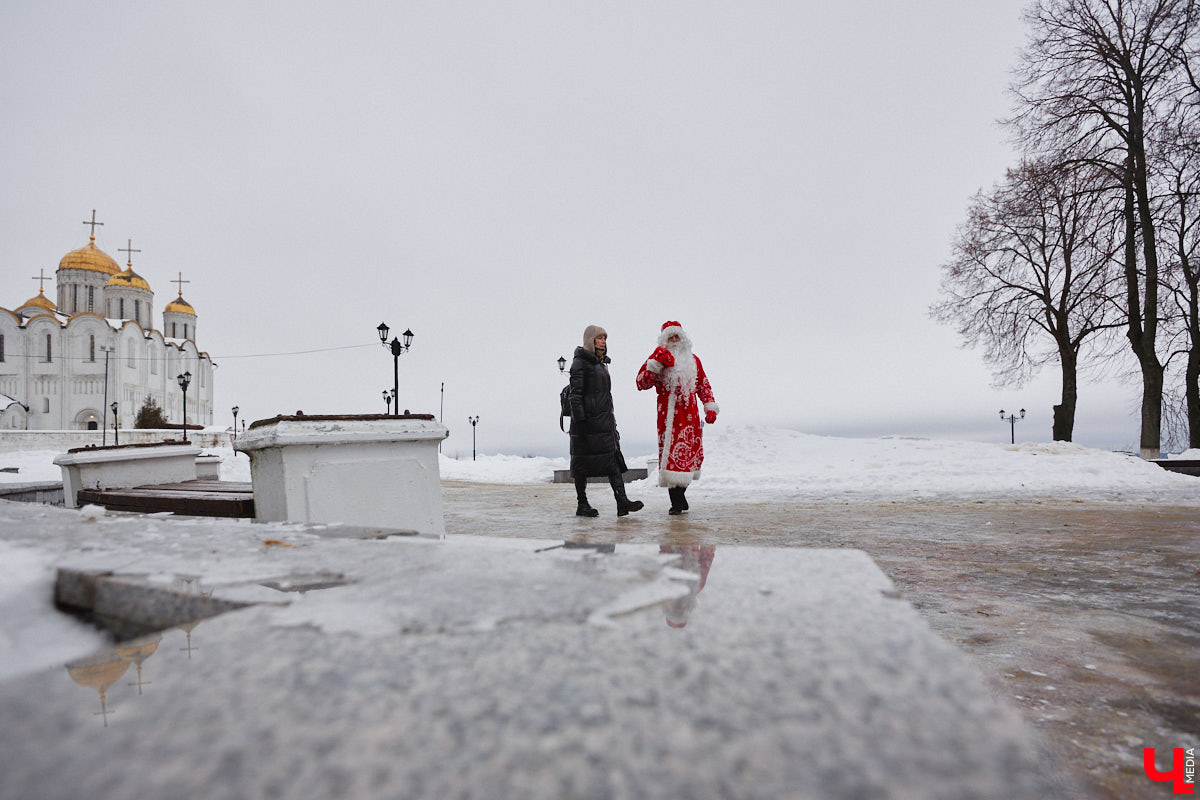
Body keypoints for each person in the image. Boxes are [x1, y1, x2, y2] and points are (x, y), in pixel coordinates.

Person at [636, 320, 719, 514]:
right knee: (672, 457)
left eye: (677, 336)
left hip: (690, 415)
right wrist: (656, 364)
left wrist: (709, 407)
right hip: (669, 416)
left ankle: (681, 497)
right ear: (664, 340)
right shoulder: (657, 357)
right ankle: (676, 502)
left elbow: (703, 385)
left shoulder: (694, 360)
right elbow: (641, 383)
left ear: (683, 338)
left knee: (688, 457)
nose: (674, 340)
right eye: (670, 337)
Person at [568, 325, 644, 517]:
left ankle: (622, 501)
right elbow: (575, 396)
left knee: (612, 461)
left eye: (605, 338)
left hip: (604, 423)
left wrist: (611, 421)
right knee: (581, 463)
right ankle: (582, 504)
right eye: (600, 338)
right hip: (586, 424)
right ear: (590, 340)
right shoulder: (579, 363)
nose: (603, 341)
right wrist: (581, 422)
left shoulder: (601, 364)